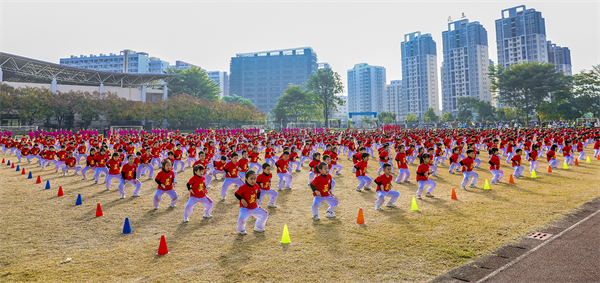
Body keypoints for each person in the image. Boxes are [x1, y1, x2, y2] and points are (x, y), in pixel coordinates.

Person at [235, 170, 269, 235]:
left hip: (254, 207)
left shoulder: (256, 185)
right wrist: (241, 199)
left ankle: (258, 227)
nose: (253, 181)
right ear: (246, 179)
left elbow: (259, 191)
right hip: (245, 208)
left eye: (254, 179)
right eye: (251, 179)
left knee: (265, 214)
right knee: (241, 218)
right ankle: (242, 230)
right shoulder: (243, 187)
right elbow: (236, 194)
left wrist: (258, 198)